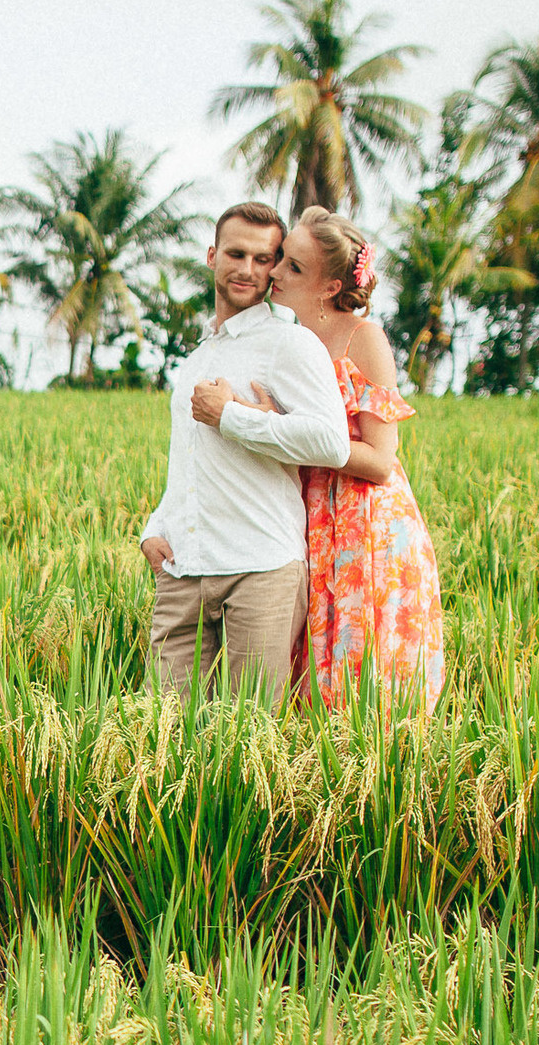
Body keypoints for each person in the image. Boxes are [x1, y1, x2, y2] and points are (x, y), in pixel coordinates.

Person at [137, 203, 351, 699]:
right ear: (212, 256)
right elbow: (189, 462)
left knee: (248, 730)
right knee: (161, 726)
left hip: (261, 568)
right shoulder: (198, 356)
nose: (248, 270)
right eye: (236, 254)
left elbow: (332, 442)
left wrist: (231, 416)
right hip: (184, 569)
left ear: (275, 267)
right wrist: (155, 527)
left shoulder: (289, 343)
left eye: (263, 258)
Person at [270, 206, 447, 716]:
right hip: (309, 518)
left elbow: (381, 460)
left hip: (364, 523)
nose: (275, 272)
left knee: (366, 670)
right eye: (281, 258)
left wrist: (291, 432)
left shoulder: (362, 338)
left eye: (293, 266)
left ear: (329, 287)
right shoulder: (288, 339)